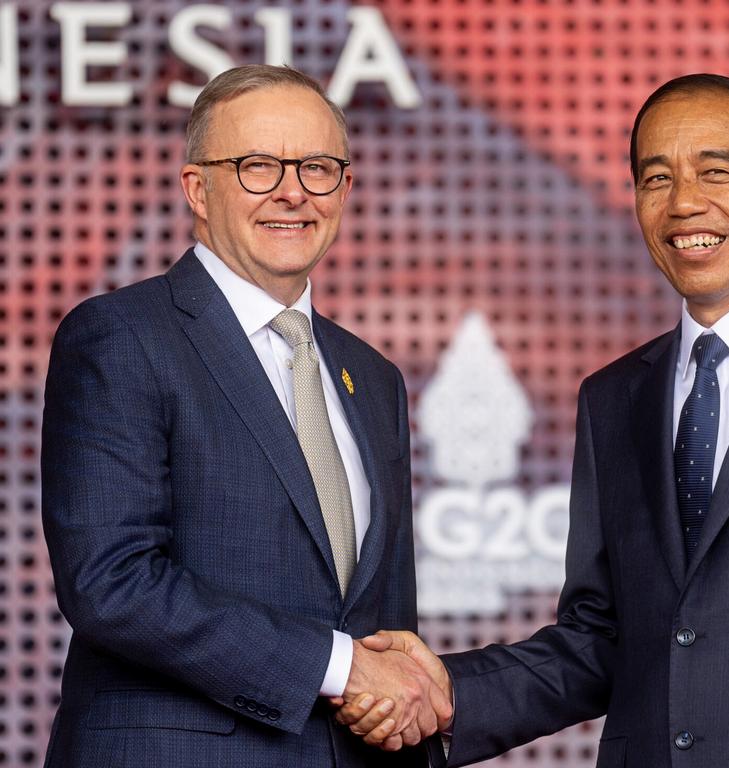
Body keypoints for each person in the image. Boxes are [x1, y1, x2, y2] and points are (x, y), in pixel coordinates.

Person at [341, 74, 729, 767]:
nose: (683, 203)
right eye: (656, 179)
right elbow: (602, 638)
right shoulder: (613, 398)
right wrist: (448, 691)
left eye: (716, 172)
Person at [40, 65, 449, 768]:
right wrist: (339, 666)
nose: (293, 192)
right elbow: (111, 581)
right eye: (258, 166)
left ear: (345, 189)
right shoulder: (120, 336)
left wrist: (399, 694)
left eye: (318, 168)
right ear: (197, 189)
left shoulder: (374, 379)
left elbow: (379, 627)